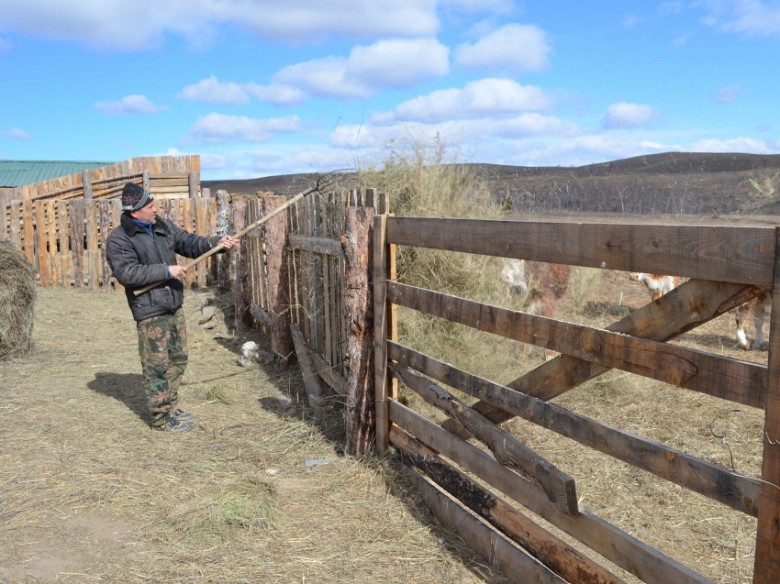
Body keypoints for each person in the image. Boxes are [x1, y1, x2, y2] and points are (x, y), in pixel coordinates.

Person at [106, 182, 239, 432]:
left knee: (178, 359)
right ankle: (159, 418)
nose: (156, 208)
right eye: (150, 205)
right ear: (135, 211)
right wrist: (166, 270)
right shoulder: (120, 239)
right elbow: (128, 274)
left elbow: (188, 242)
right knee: (156, 365)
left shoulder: (161, 226)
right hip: (150, 309)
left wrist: (216, 243)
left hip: (173, 305)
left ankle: (170, 407)